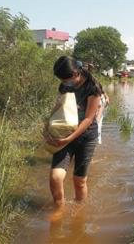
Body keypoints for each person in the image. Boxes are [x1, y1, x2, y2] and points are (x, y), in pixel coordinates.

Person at [43, 56, 102, 213]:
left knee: (79, 181)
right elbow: (58, 109)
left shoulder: (93, 87)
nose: (64, 83)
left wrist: (68, 139)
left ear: (76, 72)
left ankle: (78, 212)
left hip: (86, 137)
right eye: (61, 80)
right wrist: (47, 128)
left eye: (66, 79)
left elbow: (89, 118)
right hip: (64, 134)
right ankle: (59, 210)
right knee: (56, 177)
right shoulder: (65, 86)